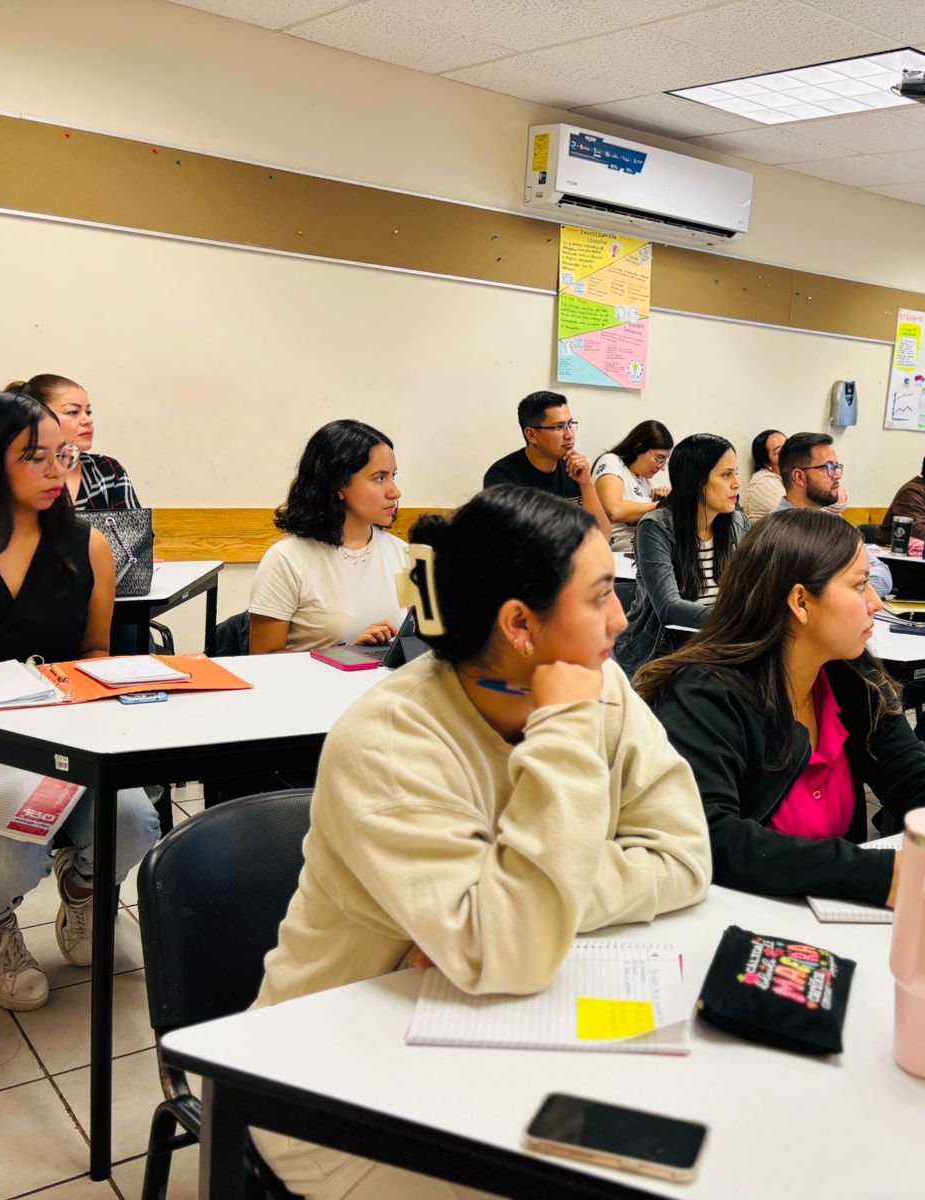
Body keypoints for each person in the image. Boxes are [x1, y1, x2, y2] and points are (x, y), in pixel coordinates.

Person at [253, 486, 711, 1200]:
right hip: (335, 1082)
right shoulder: (390, 740)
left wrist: (513, 906)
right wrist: (563, 738)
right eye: (600, 597)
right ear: (520, 623)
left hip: (496, 1027)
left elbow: (682, 855)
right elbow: (511, 951)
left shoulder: (603, 686)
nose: (621, 619)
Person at [0, 391, 161, 1011]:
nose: (57, 471)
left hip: (56, 741)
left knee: (133, 819)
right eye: (34, 457)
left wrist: (98, 686)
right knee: (13, 836)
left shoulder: (87, 546)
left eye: (62, 455)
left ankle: (84, 893)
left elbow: (95, 651)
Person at [638, 509, 925, 904]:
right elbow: (710, 834)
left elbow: (915, 778)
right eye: (860, 585)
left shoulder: (850, 679)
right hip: (738, 916)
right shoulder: (703, 695)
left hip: (826, 915)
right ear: (801, 601)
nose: (875, 602)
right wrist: (875, 874)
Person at [775, 432, 925, 766]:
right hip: (821, 660)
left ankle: (911, 782)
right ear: (799, 476)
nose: (838, 474)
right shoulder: (779, 533)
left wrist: (853, 585)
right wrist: (852, 584)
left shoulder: (834, 525)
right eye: (828, 468)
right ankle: (900, 777)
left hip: (857, 642)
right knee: (883, 692)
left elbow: (882, 574)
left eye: (838, 466)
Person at [250, 420, 408, 654]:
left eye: (393, 476)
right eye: (379, 478)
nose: (395, 492)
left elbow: (420, 643)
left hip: (387, 679)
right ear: (339, 484)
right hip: (311, 680)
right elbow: (263, 659)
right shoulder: (286, 560)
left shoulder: (402, 553)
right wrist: (349, 654)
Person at [613, 433, 746, 675]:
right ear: (696, 480)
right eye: (727, 474)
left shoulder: (738, 523)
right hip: (663, 652)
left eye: (736, 473)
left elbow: (752, 589)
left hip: (720, 646)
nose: (737, 483)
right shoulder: (655, 527)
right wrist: (736, 621)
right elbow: (669, 608)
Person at [482, 391, 611, 541]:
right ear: (531, 435)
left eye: (570, 424)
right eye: (558, 427)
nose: (569, 435)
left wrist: (586, 484)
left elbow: (603, 537)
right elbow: (507, 541)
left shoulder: (575, 469)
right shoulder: (502, 476)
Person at [9, 374, 140, 511]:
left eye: (88, 412)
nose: (88, 420)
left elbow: (133, 525)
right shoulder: (16, 474)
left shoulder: (106, 470)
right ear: (36, 418)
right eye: (73, 412)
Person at [592, 420, 672, 552]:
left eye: (665, 460)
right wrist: (661, 505)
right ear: (638, 448)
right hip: (615, 554)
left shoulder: (647, 481)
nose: (662, 467)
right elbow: (614, 510)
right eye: (659, 458)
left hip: (643, 553)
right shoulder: (612, 462)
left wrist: (661, 498)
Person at [741, 428, 788, 524]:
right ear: (767, 463)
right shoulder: (763, 482)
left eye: (788, 446)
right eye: (780, 451)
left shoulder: (788, 479)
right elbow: (800, 518)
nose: (789, 453)